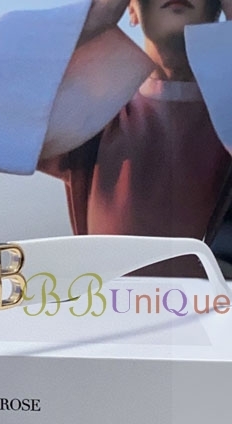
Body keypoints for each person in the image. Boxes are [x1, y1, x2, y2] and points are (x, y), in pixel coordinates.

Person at [36, 0, 232, 277]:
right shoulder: (94, 112)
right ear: (130, 9)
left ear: (219, 7)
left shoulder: (225, 112)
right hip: (113, 304)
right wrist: (93, 21)